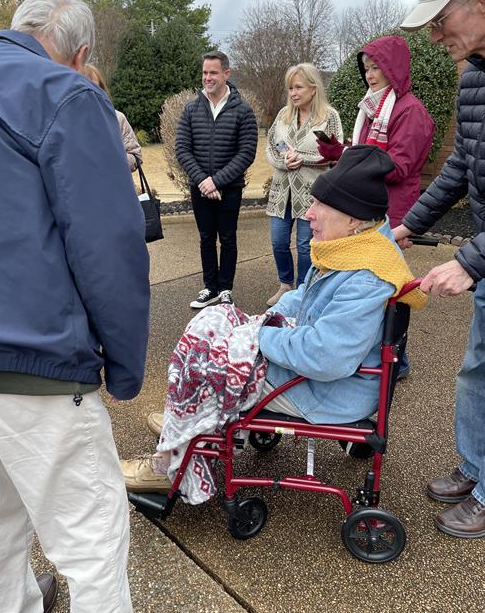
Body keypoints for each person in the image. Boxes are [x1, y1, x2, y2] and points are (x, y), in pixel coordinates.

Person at [0, 0, 150, 613]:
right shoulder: (67, 94)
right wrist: (124, 365)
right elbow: (108, 245)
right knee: (90, 536)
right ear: (80, 53)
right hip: (33, 354)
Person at [121, 145, 426, 504]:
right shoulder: (351, 248)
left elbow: (326, 357)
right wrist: (257, 322)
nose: (308, 214)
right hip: (320, 375)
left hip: (326, 389)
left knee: (207, 363)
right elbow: (301, 297)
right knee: (213, 324)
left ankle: (169, 464)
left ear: (353, 218)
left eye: (319, 207)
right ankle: (185, 421)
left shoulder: (365, 278)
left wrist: (259, 336)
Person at [392, 0, 485, 539]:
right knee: (476, 370)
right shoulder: (474, 76)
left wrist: (471, 262)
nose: (431, 35)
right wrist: (406, 226)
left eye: (439, 18)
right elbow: (459, 168)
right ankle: (476, 469)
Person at [318, 35, 435, 229]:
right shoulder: (374, 108)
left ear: (392, 68)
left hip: (391, 210)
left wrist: (344, 154)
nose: (369, 76)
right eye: (366, 69)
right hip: (371, 205)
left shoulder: (411, 111)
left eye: (375, 68)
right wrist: (343, 150)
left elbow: (395, 168)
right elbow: (369, 152)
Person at [176, 50, 258, 309]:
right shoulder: (191, 108)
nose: (207, 78)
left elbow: (246, 152)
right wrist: (203, 181)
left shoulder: (242, 110)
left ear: (226, 73)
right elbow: (182, 148)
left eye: (213, 72)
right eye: (204, 73)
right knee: (205, 238)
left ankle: (225, 289)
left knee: (228, 238)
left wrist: (217, 181)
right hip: (200, 188)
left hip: (229, 189)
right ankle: (210, 287)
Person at [265, 63, 343, 306]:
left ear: (313, 88)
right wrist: (283, 161)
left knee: (305, 244)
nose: (293, 93)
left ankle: (303, 290)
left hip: (311, 193)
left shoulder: (329, 117)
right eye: (290, 88)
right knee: (278, 241)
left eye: (298, 87)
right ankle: (285, 285)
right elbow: (271, 145)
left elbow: (336, 152)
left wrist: (304, 159)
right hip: (281, 192)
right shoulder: (283, 116)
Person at [81, 62, 143, 172]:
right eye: (84, 87)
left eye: (95, 87)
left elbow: (135, 156)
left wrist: (112, 160)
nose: (91, 92)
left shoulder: (117, 118)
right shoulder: (67, 122)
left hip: (116, 186)